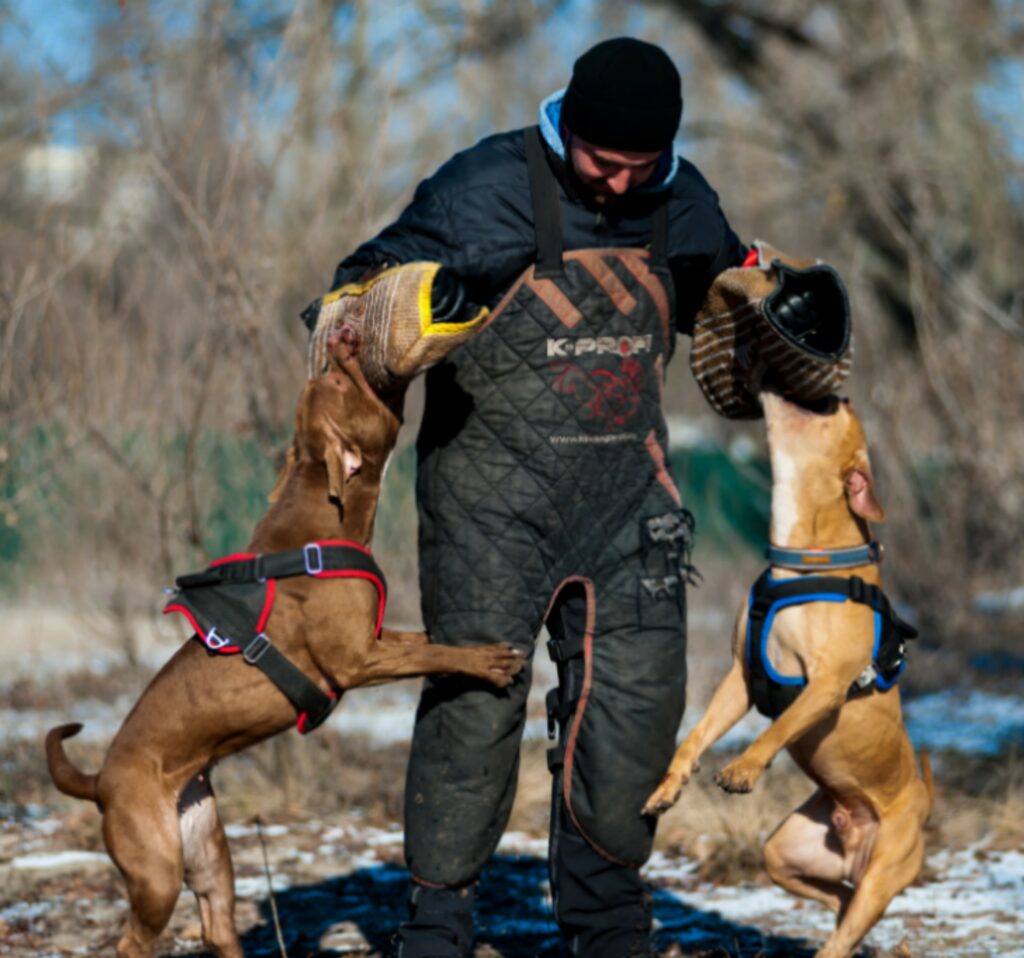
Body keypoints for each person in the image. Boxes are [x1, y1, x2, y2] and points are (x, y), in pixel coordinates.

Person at [312, 36, 840, 958]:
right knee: (475, 708)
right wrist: (386, 314)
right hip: (487, 501)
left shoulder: (684, 201)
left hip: (629, 502)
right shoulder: (481, 187)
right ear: (569, 127)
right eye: (604, 161)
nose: (622, 183)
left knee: (636, 711)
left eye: (645, 166)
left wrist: (786, 309)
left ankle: (604, 922)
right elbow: (347, 298)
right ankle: (436, 926)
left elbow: (738, 283)